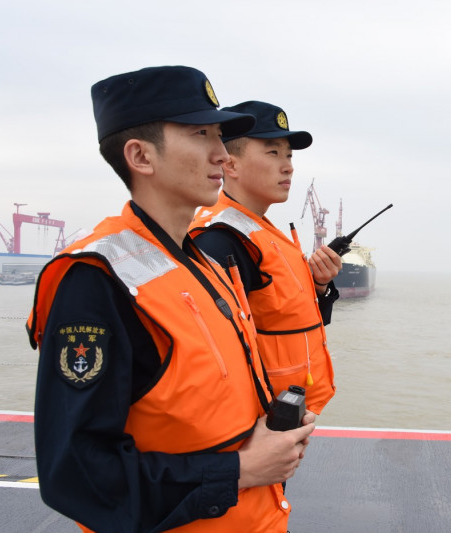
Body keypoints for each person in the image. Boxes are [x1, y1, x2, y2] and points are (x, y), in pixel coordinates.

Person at [26, 66, 314, 533]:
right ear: (140, 156)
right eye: (201, 134)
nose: (222, 154)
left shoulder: (202, 264)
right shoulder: (98, 281)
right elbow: (77, 475)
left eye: (219, 135)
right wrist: (242, 470)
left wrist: (272, 433)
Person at [190, 101, 340, 418]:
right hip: (259, 422)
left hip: (288, 410)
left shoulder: (262, 231)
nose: (288, 167)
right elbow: (212, 357)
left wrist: (320, 286)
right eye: (273, 153)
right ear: (230, 164)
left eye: (289, 155)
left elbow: (288, 321)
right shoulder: (221, 240)